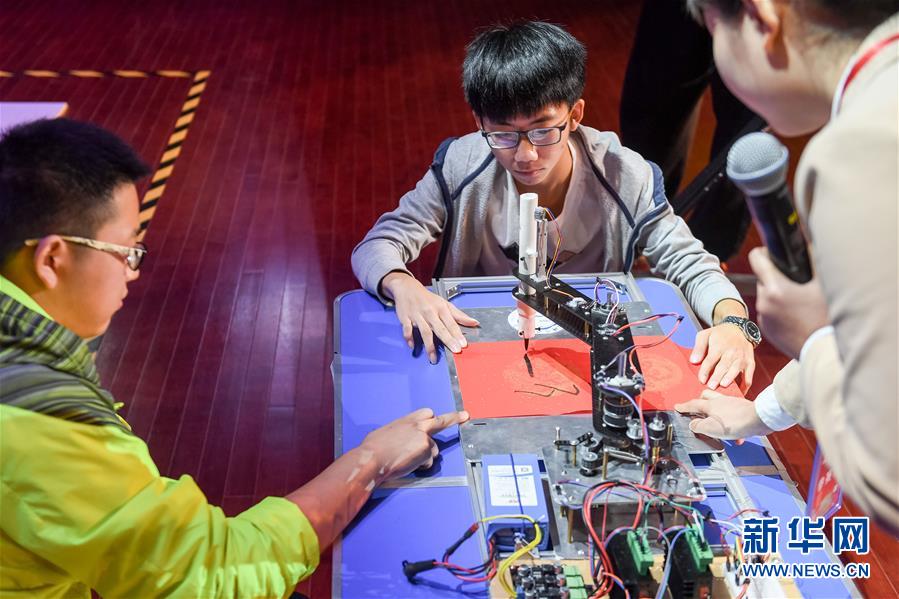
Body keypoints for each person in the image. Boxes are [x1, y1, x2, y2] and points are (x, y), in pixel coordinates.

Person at [0, 118, 469, 597]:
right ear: (51, 260)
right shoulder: (38, 423)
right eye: (126, 251)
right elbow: (212, 575)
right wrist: (371, 459)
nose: (133, 271)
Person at [352, 21, 758, 392]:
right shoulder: (461, 165)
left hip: (586, 351)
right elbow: (378, 244)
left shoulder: (625, 175)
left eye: (543, 130)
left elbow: (689, 262)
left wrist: (734, 323)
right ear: (479, 123)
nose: (525, 155)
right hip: (475, 340)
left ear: (575, 114)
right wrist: (403, 285)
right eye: (503, 135)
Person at [673, 1, 898, 535]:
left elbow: (888, 481)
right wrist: (760, 414)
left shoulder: (862, 145)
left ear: (760, 16)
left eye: (712, 32)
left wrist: (812, 337)